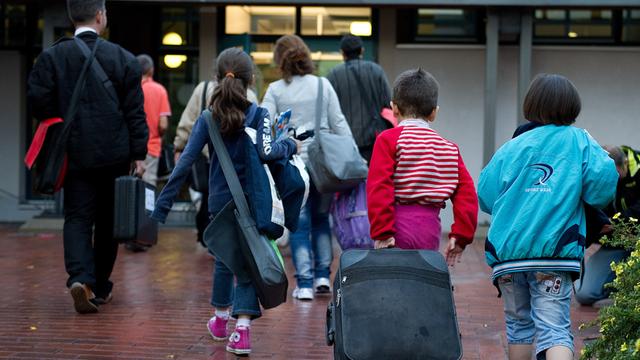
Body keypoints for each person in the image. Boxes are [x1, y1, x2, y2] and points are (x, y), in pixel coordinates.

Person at [151, 48, 299, 355]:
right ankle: (241, 329)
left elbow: (185, 163)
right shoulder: (259, 114)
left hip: (218, 203)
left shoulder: (207, 118)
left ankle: (220, 320)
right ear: (251, 80)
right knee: (248, 259)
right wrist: (290, 144)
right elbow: (268, 153)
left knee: (224, 257)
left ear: (217, 78)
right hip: (251, 201)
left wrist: (161, 208)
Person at [477, 74, 618, 360]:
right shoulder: (579, 141)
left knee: (518, 327)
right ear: (572, 107)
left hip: (509, 256)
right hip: (554, 253)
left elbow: (486, 195)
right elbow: (602, 188)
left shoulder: (512, 146)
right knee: (554, 329)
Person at [27, 0, 148, 314]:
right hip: (115, 153)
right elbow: (136, 112)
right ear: (100, 15)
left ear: (71, 17)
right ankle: (101, 286)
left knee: (78, 217)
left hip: (75, 152)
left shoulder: (52, 57)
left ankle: (80, 277)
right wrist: (139, 153)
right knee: (109, 222)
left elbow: (38, 104)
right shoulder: (123, 59)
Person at [261, 34, 355, 301]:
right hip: (323, 167)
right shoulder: (323, 86)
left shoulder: (276, 90)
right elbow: (340, 126)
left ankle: (304, 283)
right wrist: (350, 157)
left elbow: (264, 128)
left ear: (280, 60)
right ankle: (323, 275)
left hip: (292, 166)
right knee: (321, 220)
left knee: (299, 225)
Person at [366, 69, 478, 264]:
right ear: (434, 113)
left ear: (394, 109)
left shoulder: (388, 140)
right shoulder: (449, 147)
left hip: (396, 227)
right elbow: (466, 194)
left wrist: (382, 231)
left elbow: (379, 186)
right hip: (430, 229)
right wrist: (460, 236)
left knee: (393, 286)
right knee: (422, 286)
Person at [174, 70, 258, 247]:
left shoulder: (202, 89)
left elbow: (187, 123)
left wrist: (179, 146)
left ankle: (213, 242)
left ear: (216, 75)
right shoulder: (250, 96)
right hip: (239, 166)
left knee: (210, 198)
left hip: (209, 158)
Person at [575, 145, 640, 307]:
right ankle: (621, 285)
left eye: (616, 175)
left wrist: (616, 222)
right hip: (615, 241)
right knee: (584, 295)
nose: (613, 180)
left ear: (624, 163)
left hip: (636, 238)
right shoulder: (595, 176)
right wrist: (600, 225)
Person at [326, 35, 392, 162]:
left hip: (345, 143)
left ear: (342, 53)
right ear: (361, 50)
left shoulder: (333, 75)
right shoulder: (376, 70)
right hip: (374, 141)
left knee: (350, 181)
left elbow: (328, 111)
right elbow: (387, 104)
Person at [136, 54, 171, 188]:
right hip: (151, 147)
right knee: (148, 189)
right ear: (151, 70)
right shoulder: (159, 90)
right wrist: (159, 134)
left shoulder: (132, 89)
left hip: (129, 148)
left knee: (129, 189)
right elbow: (163, 124)